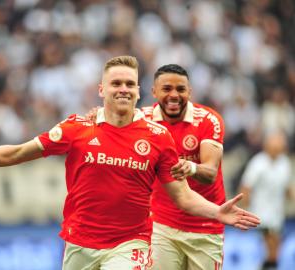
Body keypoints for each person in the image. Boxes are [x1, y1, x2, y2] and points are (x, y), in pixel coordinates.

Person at [0, 56, 260, 270]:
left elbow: (182, 195)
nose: (123, 89)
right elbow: (17, 152)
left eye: (130, 83)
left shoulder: (158, 138)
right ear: (102, 89)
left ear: (140, 90)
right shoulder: (77, 128)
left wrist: (217, 211)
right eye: (116, 83)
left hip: (131, 245)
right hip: (79, 243)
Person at [87, 64, 229, 269]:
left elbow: (210, 173)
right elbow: (110, 128)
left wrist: (191, 167)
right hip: (162, 226)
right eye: (166, 89)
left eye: (180, 89)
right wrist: (98, 116)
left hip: (206, 226)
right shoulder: (140, 119)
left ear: (190, 91)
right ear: (154, 92)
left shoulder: (208, 120)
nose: (174, 95)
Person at [239, 130, 293, 270]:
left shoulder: (284, 163)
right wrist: (244, 213)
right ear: (267, 146)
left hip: (277, 214)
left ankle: (266, 266)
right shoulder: (258, 163)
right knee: (272, 247)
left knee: (275, 249)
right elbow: (246, 188)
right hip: (260, 214)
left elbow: (288, 189)